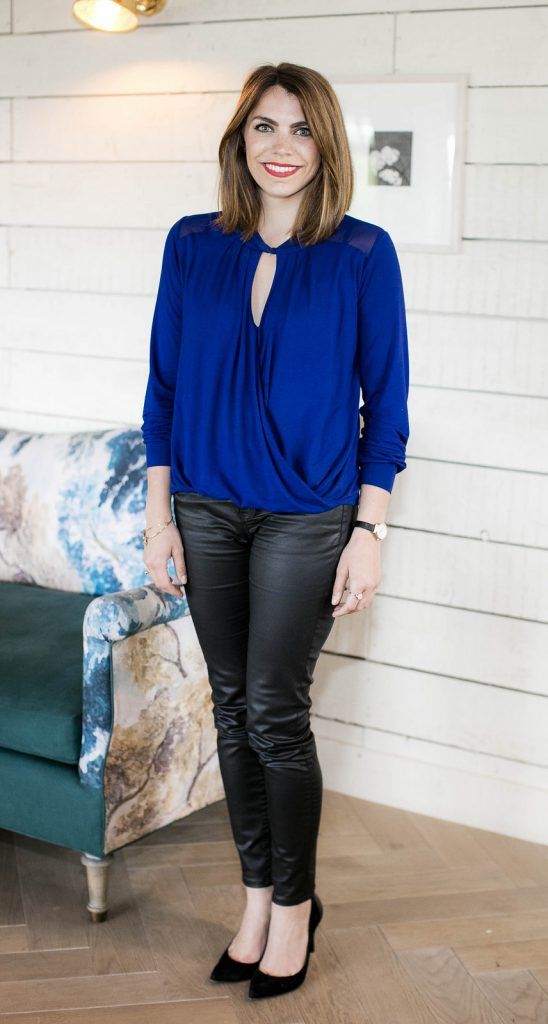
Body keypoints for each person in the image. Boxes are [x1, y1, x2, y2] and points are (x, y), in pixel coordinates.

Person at [140, 61, 410, 1001]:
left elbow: (390, 407)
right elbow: (164, 393)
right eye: (264, 126)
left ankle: (294, 906)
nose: (281, 146)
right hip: (205, 508)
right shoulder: (191, 244)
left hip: (309, 514)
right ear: (239, 141)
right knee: (229, 707)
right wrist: (158, 518)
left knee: (274, 712)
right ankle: (254, 897)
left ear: (324, 143)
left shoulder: (363, 254)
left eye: (300, 128)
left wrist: (369, 532)